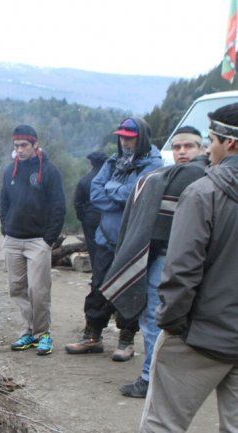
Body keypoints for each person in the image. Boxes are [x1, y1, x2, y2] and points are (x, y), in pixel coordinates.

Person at [138, 103, 238, 432]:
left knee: (163, 424)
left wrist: (171, 322)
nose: (208, 148)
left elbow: (181, 271)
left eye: (211, 140)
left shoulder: (202, 194)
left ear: (231, 143)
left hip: (200, 336)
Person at [97, 126, 207, 399]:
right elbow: (96, 192)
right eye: (178, 146)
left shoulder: (191, 176)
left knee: (155, 320)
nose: (182, 151)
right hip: (162, 254)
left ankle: (151, 379)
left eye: (189, 146)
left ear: (203, 148)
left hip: (169, 258)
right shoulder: (168, 176)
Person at [66, 117, 162, 361]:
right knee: (98, 285)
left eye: (129, 138)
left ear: (141, 138)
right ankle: (92, 337)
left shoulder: (153, 164)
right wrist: (119, 194)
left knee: (129, 287)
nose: (124, 142)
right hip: (105, 238)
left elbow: (138, 195)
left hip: (133, 240)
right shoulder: (112, 161)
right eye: (121, 137)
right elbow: (95, 193)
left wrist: (113, 190)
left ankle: (126, 341)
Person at [0, 125, 66, 356]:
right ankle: (28, 331)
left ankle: (43, 334)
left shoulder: (48, 171)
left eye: (24, 145)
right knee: (17, 288)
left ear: (35, 144)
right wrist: (5, 228)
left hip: (38, 240)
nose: (20, 149)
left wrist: (49, 239)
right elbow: (4, 202)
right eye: (16, 145)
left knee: (38, 290)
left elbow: (59, 207)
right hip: (13, 240)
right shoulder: (10, 171)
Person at [73, 151, 107, 272]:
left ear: (91, 162)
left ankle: (96, 277)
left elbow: (77, 202)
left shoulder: (84, 180)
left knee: (93, 249)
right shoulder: (112, 178)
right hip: (108, 219)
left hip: (90, 219)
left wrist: (83, 217)